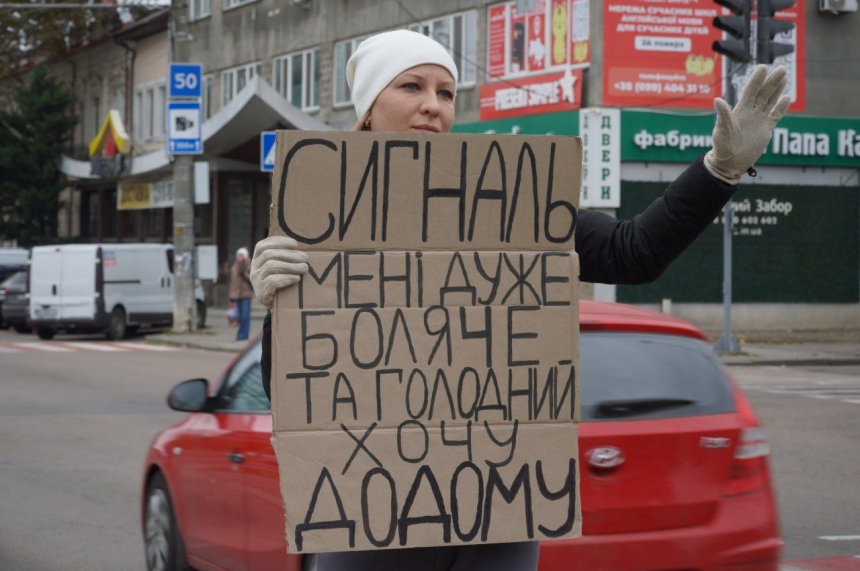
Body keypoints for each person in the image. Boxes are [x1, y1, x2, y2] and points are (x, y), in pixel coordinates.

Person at [248, 29, 791, 571]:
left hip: (497, 507)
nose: (432, 106)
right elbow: (295, 396)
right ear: (367, 108)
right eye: (411, 86)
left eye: (445, 92)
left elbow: (634, 254)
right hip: (370, 516)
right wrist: (278, 309)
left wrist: (719, 171)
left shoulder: (509, 199)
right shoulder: (318, 217)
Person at [229, 246, 253, 341]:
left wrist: (244, 273)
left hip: (245, 294)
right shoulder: (234, 267)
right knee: (238, 317)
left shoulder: (248, 266)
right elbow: (232, 282)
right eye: (238, 255)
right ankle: (240, 334)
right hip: (236, 295)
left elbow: (251, 278)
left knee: (245, 316)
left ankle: (243, 335)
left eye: (241, 255)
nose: (239, 257)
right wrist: (231, 296)